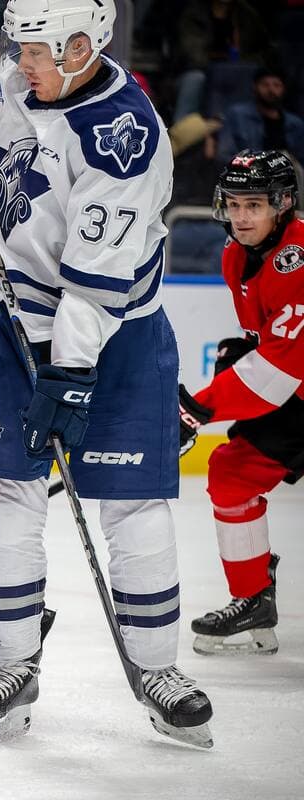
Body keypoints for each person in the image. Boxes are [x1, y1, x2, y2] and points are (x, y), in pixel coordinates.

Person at [0, 0, 213, 747]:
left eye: (37, 51)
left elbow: (94, 290)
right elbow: (11, 133)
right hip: (18, 324)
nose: (19, 63)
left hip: (113, 335)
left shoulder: (123, 142)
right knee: (5, 490)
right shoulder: (26, 76)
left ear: (83, 46)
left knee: (132, 503)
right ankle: (12, 665)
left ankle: (157, 669)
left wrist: (69, 374)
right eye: (20, 48)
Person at [179, 150, 303, 657]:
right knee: (232, 474)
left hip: (292, 382)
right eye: (233, 204)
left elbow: (280, 369)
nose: (241, 216)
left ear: (283, 204)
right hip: (297, 395)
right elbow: (271, 348)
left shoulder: (299, 258)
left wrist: (198, 408)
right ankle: (253, 597)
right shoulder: (235, 255)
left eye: (254, 205)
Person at [216, 68, 304, 165]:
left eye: (277, 85)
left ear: (283, 89)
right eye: (265, 85)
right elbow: (224, 155)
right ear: (255, 87)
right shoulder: (237, 115)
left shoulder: (295, 124)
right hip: (250, 170)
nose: (271, 90)